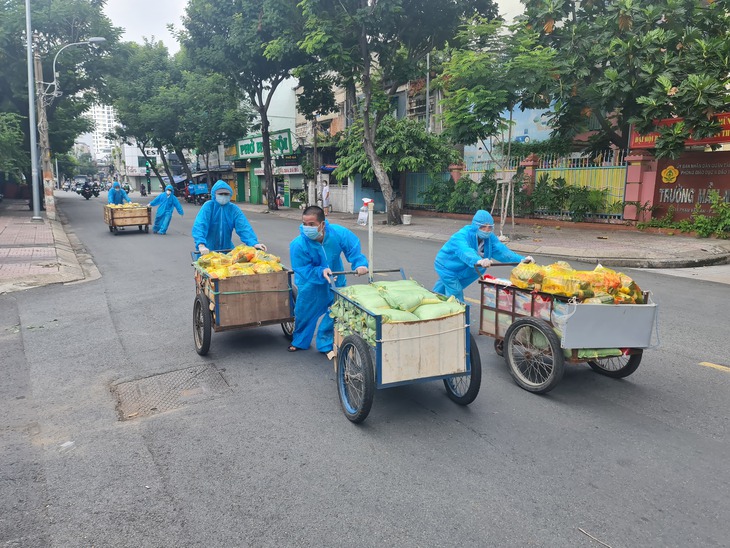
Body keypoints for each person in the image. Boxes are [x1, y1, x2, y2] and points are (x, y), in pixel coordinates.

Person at [288, 205, 368, 353]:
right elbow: (303, 268)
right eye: (304, 224)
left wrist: (360, 264)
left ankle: (326, 343)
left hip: (336, 280)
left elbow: (353, 248)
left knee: (335, 313)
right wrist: (320, 271)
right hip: (311, 284)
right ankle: (299, 340)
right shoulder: (298, 244)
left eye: (311, 224)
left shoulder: (338, 233)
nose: (307, 228)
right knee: (305, 313)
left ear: (322, 224)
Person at [433, 210, 533, 301]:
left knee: (440, 290)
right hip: (447, 267)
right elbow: (465, 251)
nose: (486, 230)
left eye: (490, 227)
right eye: (483, 227)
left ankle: (432, 301)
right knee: (455, 291)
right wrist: (478, 260)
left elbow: (503, 252)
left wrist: (522, 261)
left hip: (464, 269)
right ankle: (457, 315)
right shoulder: (461, 236)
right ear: (475, 226)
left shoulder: (490, 238)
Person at [192, 180, 267, 254]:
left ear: (230, 195)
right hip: (207, 251)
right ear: (214, 194)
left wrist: (254, 243)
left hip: (227, 250)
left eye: (226, 194)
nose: (223, 196)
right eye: (220, 194)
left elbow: (244, 227)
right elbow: (200, 225)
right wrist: (201, 244)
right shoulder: (208, 206)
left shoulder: (233, 209)